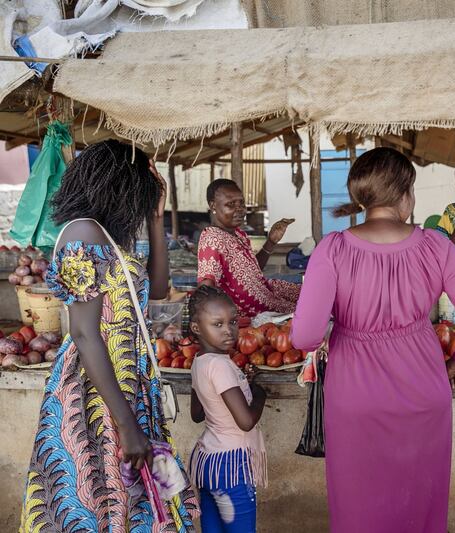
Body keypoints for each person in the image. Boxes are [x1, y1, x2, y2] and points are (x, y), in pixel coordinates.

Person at [290, 147, 455, 533]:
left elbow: (304, 334)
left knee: (360, 512)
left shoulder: (332, 249)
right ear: (406, 194)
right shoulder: (436, 247)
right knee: (418, 509)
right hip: (424, 389)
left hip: (353, 398)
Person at [20, 140, 198, 531]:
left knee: (137, 496)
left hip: (127, 385)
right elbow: (85, 335)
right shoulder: (82, 233)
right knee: (97, 497)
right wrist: (126, 424)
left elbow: (161, 286)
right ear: (120, 186)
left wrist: (155, 218)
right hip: (97, 395)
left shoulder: (110, 238)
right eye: (141, 194)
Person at [188, 285, 267, 533]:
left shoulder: (199, 361)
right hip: (232, 466)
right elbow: (245, 421)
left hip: (208, 462)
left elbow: (197, 414)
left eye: (232, 322)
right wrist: (259, 394)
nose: (229, 330)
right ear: (196, 328)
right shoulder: (220, 366)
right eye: (218, 324)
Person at [197, 179, 300, 317]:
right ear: (213, 206)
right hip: (250, 312)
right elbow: (206, 287)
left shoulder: (239, 234)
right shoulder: (212, 238)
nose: (240, 210)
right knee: (308, 307)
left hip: (267, 294)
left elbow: (254, 271)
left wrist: (271, 241)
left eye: (241, 203)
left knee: (309, 293)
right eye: (231, 204)